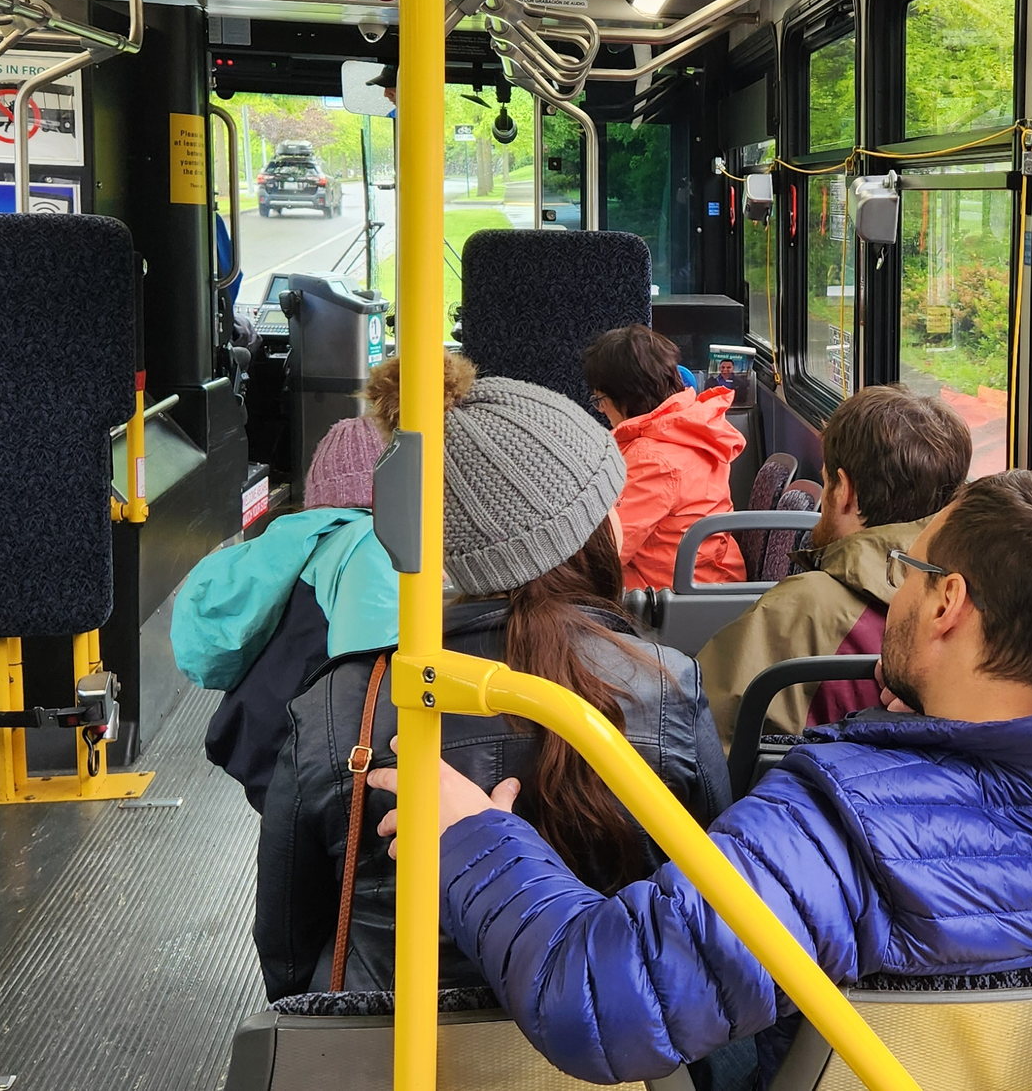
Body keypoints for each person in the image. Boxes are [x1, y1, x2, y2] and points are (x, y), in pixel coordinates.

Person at [369, 470, 1032, 1085]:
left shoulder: (838, 832)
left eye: (909, 573)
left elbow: (597, 998)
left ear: (949, 602)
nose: (897, 589)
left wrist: (471, 837)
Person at [253, 374, 730, 1000]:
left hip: (385, 1035)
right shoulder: (663, 686)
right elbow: (713, 905)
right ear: (579, 533)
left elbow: (287, 944)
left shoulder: (340, 706)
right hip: (617, 1022)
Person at [696, 383, 972, 737]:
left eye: (826, 481)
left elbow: (704, 740)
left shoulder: (802, 608)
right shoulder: (977, 609)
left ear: (843, 490)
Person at [175, 412, 397, 810]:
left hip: (276, 754)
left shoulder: (299, 543)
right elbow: (371, 686)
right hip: (327, 772)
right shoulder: (372, 547)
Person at [583, 324, 746, 591]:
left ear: (625, 399)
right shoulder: (695, 425)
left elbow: (606, 554)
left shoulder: (654, 459)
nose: (601, 410)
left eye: (600, 399)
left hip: (670, 594)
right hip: (710, 575)